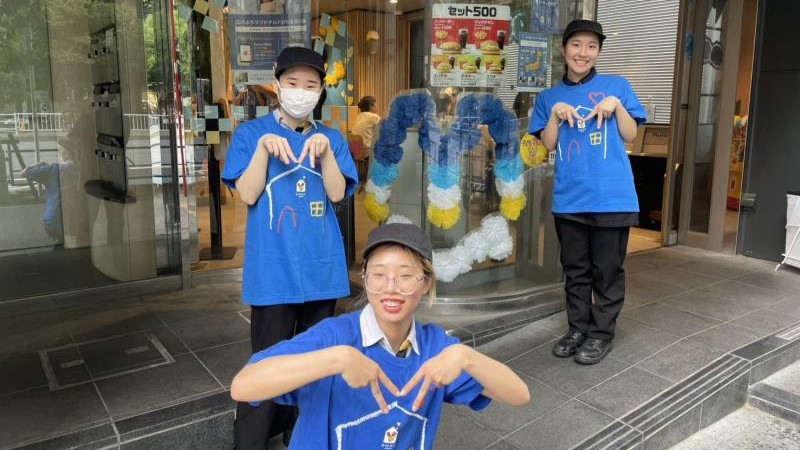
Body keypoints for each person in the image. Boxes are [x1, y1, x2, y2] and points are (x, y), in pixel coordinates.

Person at [231, 222, 530, 449]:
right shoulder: (334, 337)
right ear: (364, 277)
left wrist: (466, 357)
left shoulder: (435, 348)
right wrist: (337, 360)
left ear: (426, 283)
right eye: (378, 274)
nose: (391, 287)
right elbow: (244, 386)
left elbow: (519, 395)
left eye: (405, 275)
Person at [221, 46, 358, 449]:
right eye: (293, 83)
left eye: (311, 85)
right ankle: (250, 442)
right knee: (268, 364)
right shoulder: (250, 135)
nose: (301, 91)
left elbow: (336, 193)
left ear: (320, 93)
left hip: (321, 274)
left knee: (314, 367)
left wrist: (326, 155)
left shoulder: (331, 139)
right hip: (273, 274)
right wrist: (264, 149)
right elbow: (246, 194)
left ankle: (302, 438)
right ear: (278, 85)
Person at [528, 19, 646, 365]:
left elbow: (630, 135)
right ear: (564, 50)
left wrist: (616, 106)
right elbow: (547, 145)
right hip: (570, 198)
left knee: (606, 270)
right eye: (576, 45)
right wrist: (554, 115)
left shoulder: (618, 86)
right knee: (575, 269)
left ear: (598, 52)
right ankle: (577, 328)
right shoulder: (549, 97)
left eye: (591, 46)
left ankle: (600, 334)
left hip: (613, 197)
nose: (583, 53)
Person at [351, 96, 380, 191]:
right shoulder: (373, 117)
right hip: (366, 152)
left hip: (355, 151)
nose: (377, 106)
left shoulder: (358, 116)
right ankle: (378, 184)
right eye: (376, 104)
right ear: (371, 106)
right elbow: (384, 129)